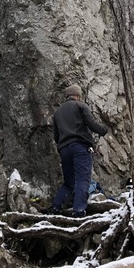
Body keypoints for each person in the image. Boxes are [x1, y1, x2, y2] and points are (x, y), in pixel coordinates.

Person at [49, 83, 108, 217]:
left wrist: (64, 144)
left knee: (69, 182)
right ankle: (79, 211)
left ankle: (55, 208)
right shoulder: (80, 106)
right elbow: (91, 123)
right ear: (77, 95)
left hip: (64, 149)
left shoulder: (57, 113)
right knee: (82, 179)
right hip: (80, 146)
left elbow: (56, 136)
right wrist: (104, 130)